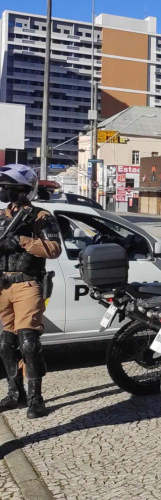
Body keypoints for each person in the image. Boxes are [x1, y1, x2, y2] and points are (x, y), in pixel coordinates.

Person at [0, 164, 62, 419]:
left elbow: (54, 249)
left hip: (28, 284)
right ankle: (15, 394)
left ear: (24, 190)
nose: (5, 192)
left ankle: (36, 399)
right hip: (4, 284)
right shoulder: (2, 217)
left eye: (9, 188)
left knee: (28, 341)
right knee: (5, 344)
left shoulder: (39, 216)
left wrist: (23, 241)